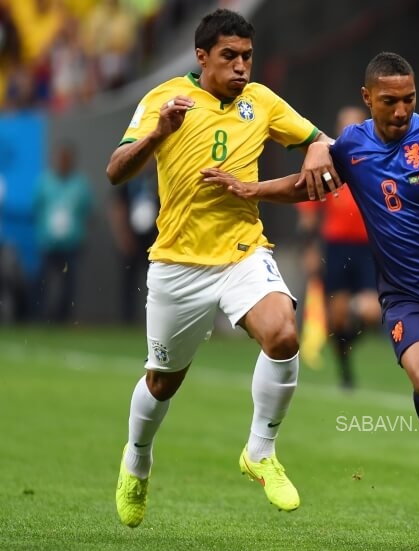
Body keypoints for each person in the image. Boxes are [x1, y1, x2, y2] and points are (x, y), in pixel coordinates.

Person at [202, 51, 419, 551]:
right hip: (408, 298)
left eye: (409, 99)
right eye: (389, 101)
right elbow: (306, 187)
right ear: (367, 99)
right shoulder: (352, 146)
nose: (401, 111)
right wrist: (248, 190)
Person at [106, 8, 340, 529]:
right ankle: (137, 459)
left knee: (283, 335)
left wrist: (320, 150)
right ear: (202, 56)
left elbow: (318, 139)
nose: (241, 67)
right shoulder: (164, 99)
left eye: (247, 57)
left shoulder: (262, 102)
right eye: (229, 57)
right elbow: (116, 172)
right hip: (178, 264)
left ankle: (260, 451)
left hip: (242, 252)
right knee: (163, 383)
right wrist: (158, 133)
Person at [295, 105, 381, 388]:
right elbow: (309, 212)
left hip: (368, 247)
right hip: (336, 247)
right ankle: (345, 369)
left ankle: (346, 345)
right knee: (338, 317)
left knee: (371, 312)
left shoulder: (376, 161)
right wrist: (308, 248)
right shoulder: (324, 162)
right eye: (344, 126)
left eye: (355, 126)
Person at [33, 141, 93, 323]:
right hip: (48, 242)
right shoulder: (44, 182)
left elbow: (88, 212)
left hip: (71, 243)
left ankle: (63, 318)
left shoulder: (80, 184)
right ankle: (41, 316)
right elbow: (36, 208)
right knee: (43, 281)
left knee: (69, 283)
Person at [108, 159, 159, 324]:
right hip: (132, 237)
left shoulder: (159, 179)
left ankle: (156, 319)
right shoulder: (129, 181)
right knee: (128, 280)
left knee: (157, 281)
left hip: (155, 239)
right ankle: (127, 319)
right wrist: (123, 235)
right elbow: (118, 207)